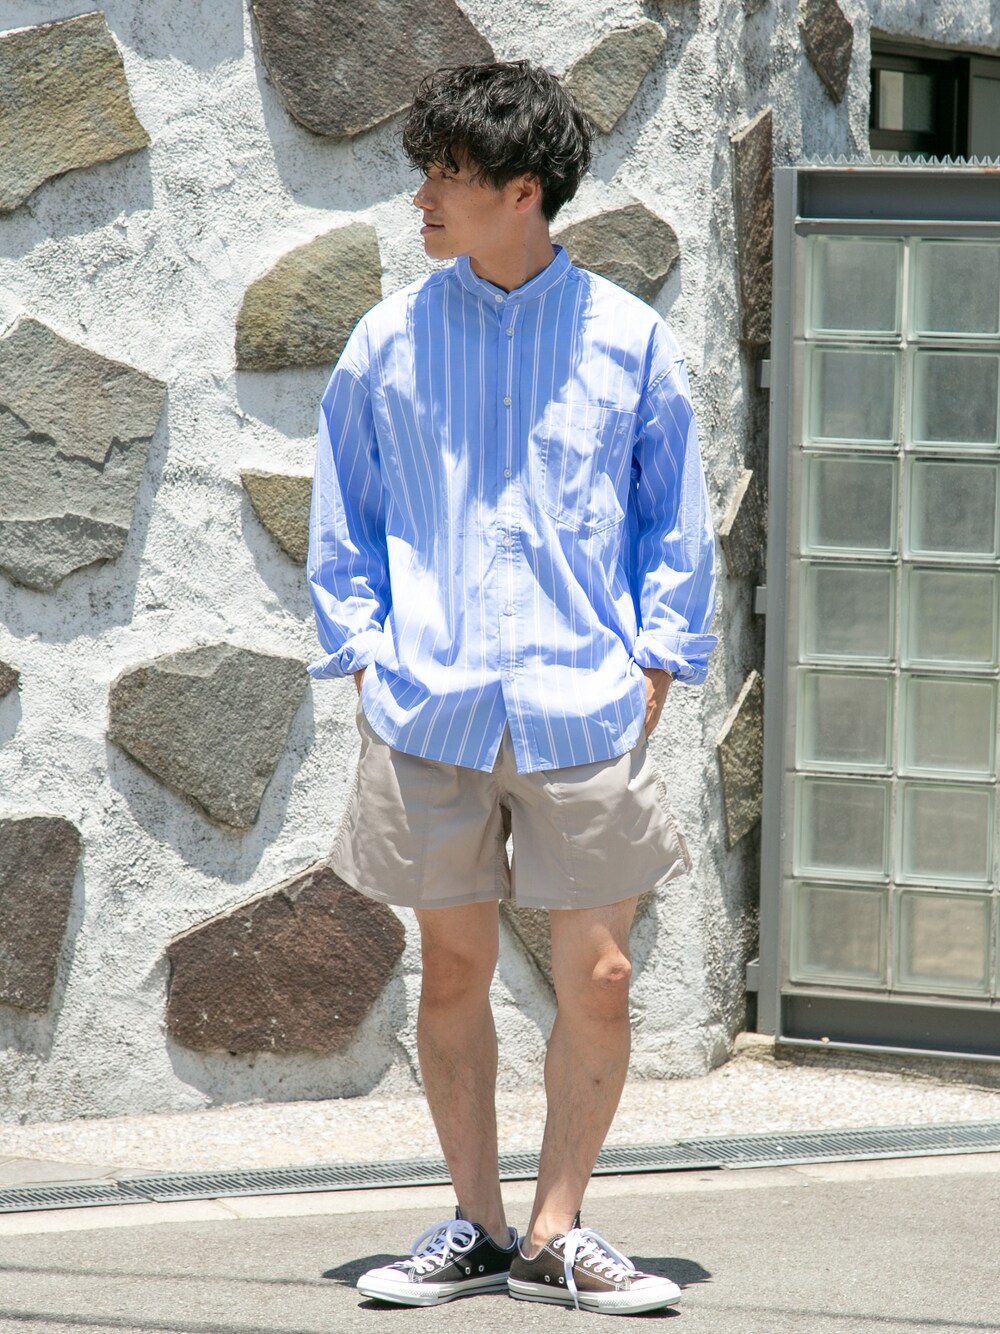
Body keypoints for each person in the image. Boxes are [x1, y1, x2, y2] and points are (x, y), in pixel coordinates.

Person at [307, 59, 716, 1317]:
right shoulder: (386, 340)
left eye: (447, 174)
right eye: (425, 171)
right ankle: (477, 1222)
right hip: (428, 704)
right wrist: (366, 653)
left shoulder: (628, 339)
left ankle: (558, 1228)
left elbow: (675, 520)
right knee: (449, 972)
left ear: (522, 190)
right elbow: (344, 514)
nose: (421, 197)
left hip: (583, 703)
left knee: (601, 975)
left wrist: (657, 663)